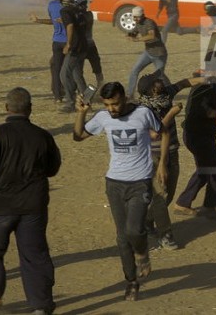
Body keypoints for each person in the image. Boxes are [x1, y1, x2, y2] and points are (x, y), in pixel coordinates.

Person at [73, 82, 168, 301]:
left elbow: (164, 133)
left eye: (115, 104)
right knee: (122, 237)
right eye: (107, 105)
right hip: (114, 184)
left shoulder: (143, 113)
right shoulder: (103, 118)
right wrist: (81, 114)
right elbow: (78, 136)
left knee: (135, 230)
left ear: (124, 98)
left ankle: (143, 254)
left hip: (140, 182)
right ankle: (131, 281)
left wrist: (162, 163)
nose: (111, 109)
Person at [0, 88, 61, 315]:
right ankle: (41, 307)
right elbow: (53, 169)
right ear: (30, 109)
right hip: (33, 205)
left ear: (6, 108)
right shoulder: (43, 136)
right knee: (35, 254)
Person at [136, 72, 209, 251]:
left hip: (172, 151)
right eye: (157, 82)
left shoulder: (166, 93)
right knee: (161, 196)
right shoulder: (142, 109)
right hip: (153, 157)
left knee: (169, 194)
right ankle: (165, 236)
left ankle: (146, 221)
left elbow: (183, 82)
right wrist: (172, 113)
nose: (161, 81)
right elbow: (154, 133)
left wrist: (204, 79)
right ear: (151, 90)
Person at [174, 71, 216, 218]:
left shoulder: (212, 81)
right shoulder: (204, 83)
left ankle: (190, 203)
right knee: (215, 168)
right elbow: (204, 109)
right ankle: (206, 205)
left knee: (206, 169)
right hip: (197, 135)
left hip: (203, 134)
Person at [29, 0, 70, 104]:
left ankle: (57, 96)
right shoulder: (71, 6)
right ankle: (70, 93)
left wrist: (38, 20)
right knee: (71, 69)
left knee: (56, 68)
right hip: (69, 41)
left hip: (57, 41)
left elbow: (53, 21)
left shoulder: (52, 5)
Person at [127, 6, 168, 100]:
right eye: (134, 17)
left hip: (159, 54)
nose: (135, 19)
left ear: (143, 15)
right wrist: (130, 34)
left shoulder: (149, 22)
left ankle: (169, 90)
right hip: (148, 53)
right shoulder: (138, 23)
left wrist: (137, 39)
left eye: (137, 17)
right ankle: (130, 95)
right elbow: (134, 31)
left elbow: (152, 35)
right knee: (134, 71)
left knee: (160, 76)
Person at [58, 0, 88, 113]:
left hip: (75, 47)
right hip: (83, 46)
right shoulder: (78, 9)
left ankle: (70, 102)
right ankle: (87, 99)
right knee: (77, 75)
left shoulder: (64, 10)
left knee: (64, 75)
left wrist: (68, 44)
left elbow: (70, 26)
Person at [75, 0, 104, 90]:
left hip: (86, 45)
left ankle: (100, 85)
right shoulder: (85, 15)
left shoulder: (87, 15)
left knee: (96, 68)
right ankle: (83, 89)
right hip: (88, 45)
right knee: (81, 70)